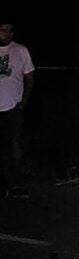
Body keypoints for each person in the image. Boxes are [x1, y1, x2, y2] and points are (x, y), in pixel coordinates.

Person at [0, 19, 34, 198]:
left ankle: (16, 185)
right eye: (3, 30)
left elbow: (29, 76)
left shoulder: (20, 50)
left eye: (10, 30)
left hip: (13, 107)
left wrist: (24, 100)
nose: (7, 34)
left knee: (13, 148)